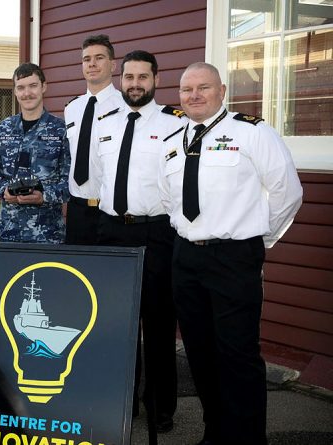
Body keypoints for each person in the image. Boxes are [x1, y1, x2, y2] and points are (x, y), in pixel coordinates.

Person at [158, 62, 303, 445]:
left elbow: (287, 193)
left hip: (234, 258)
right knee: (199, 353)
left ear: (221, 90)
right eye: (187, 89)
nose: (194, 95)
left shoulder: (252, 133)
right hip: (186, 258)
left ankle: (249, 438)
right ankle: (215, 434)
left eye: (203, 87)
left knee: (238, 355)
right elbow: (167, 198)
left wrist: (257, 241)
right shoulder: (172, 141)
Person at [93, 50, 185, 433]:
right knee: (116, 321)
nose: (134, 84)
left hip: (155, 232)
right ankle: (122, 400)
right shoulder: (107, 122)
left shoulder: (174, 124)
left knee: (159, 324)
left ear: (156, 80)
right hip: (113, 230)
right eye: (128, 77)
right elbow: (99, 176)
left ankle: (161, 407)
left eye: (142, 77)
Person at [0, 62, 69, 243]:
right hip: (9, 231)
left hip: (48, 233)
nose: (27, 93)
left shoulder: (60, 130)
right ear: (15, 91)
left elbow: (70, 181)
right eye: (21, 88)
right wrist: (4, 191)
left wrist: (44, 196)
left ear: (44, 87)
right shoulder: (4, 129)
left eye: (33, 86)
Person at [62, 34, 125, 244]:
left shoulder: (125, 107)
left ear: (113, 65)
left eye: (99, 58)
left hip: (111, 209)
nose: (92, 64)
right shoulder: (72, 108)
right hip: (77, 209)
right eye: (86, 59)